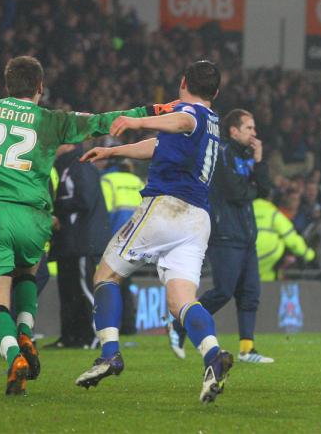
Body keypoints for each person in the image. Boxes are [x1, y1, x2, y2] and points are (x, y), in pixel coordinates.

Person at [0, 55, 159, 395]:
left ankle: (14, 355)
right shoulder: (52, 120)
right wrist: (152, 112)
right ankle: (26, 331)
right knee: (27, 272)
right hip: (35, 217)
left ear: (7, 84)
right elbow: (104, 121)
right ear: (40, 87)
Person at [74, 60, 234, 404]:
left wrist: (134, 120)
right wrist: (113, 152)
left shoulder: (191, 113)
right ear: (216, 92)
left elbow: (182, 118)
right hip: (196, 219)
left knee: (105, 275)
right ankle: (213, 356)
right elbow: (159, 146)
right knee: (181, 301)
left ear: (182, 82)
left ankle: (110, 353)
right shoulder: (211, 123)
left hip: (166, 207)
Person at [187, 109, 273, 364]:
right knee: (223, 291)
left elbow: (264, 190)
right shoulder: (223, 153)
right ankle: (183, 322)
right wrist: (252, 189)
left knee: (250, 294)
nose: (254, 133)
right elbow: (236, 192)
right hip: (225, 234)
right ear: (234, 131)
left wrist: (259, 162)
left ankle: (247, 349)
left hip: (245, 235)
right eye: (249, 128)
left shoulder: (246, 156)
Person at [50, 143, 111, 348]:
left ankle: (96, 335)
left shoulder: (82, 165)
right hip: (68, 240)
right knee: (68, 292)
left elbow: (84, 199)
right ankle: (70, 337)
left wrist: (54, 205)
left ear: (68, 144)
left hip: (83, 240)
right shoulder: (65, 166)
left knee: (85, 290)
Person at [254, 197, 315, 282]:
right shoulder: (274, 214)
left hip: (245, 267)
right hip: (269, 272)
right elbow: (292, 241)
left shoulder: (243, 213)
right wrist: (310, 256)